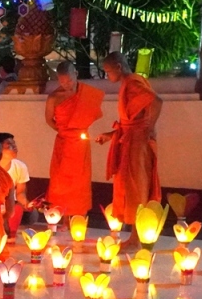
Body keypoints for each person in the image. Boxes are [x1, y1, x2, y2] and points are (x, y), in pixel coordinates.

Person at [95, 52, 162, 247]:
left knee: (136, 187)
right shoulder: (129, 83)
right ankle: (135, 236)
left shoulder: (132, 82)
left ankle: (136, 239)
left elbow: (156, 101)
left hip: (138, 143)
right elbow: (129, 121)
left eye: (108, 71)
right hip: (131, 139)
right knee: (129, 185)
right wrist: (110, 135)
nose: (108, 76)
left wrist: (150, 127)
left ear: (118, 66)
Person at [44, 61, 104, 218]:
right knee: (60, 182)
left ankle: (79, 217)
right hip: (64, 142)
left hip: (80, 144)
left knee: (80, 181)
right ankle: (62, 217)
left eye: (69, 80)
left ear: (76, 74)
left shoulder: (86, 94)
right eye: (62, 81)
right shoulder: (54, 97)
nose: (66, 84)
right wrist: (62, 130)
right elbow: (49, 119)